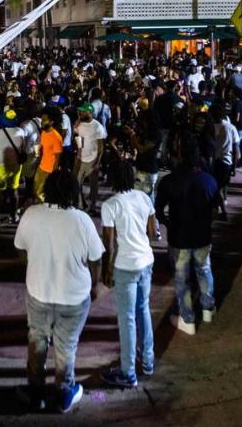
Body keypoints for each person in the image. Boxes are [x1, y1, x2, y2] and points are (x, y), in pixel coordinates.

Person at [14, 170, 103, 413]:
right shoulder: (82, 220)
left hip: (39, 291)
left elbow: (21, 249)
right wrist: (95, 284)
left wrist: (35, 265)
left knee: (37, 340)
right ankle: (63, 392)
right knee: (66, 345)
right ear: (75, 193)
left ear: (47, 189)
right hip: (73, 296)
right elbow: (96, 258)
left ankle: (35, 391)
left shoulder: (31, 215)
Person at [100, 160, 157, 389]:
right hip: (146, 260)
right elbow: (153, 232)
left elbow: (110, 245)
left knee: (127, 319)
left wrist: (107, 270)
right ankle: (148, 361)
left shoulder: (110, 205)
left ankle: (128, 371)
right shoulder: (143, 197)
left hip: (126, 265)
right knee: (143, 309)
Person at [155, 133, 218, 335]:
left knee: (182, 278)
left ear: (178, 157)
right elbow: (215, 211)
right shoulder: (209, 181)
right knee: (204, 269)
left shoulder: (169, 181)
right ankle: (208, 308)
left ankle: (187, 317)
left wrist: (167, 222)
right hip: (202, 235)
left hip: (179, 236)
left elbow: (158, 210)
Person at [74, 102, 107, 213]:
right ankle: (80, 205)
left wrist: (98, 162)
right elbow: (78, 138)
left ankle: (93, 206)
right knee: (77, 182)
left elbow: (101, 147)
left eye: (83, 111)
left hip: (92, 160)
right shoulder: (79, 125)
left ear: (90, 112)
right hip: (81, 158)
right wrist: (78, 154)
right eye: (80, 111)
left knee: (93, 185)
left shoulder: (98, 127)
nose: (81, 113)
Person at [0, 109, 26, 216]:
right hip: (16, 165)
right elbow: (23, 147)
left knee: (0, 191)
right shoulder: (20, 132)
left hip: (0, 164)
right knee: (14, 190)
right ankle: (13, 215)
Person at [211, 102, 240, 218]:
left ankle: (222, 211)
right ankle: (220, 207)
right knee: (221, 186)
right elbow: (236, 148)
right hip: (227, 162)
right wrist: (234, 166)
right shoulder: (231, 127)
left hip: (213, 161)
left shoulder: (210, 127)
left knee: (216, 188)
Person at [34, 107, 63, 202]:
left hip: (49, 171)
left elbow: (58, 157)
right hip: (41, 167)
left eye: (44, 120)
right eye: (41, 119)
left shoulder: (56, 137)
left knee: (43, 194)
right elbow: (42, 148)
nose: (41, 122)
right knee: (36, 191)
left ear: (52, 122)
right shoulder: (43, 132)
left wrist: (53, 174)